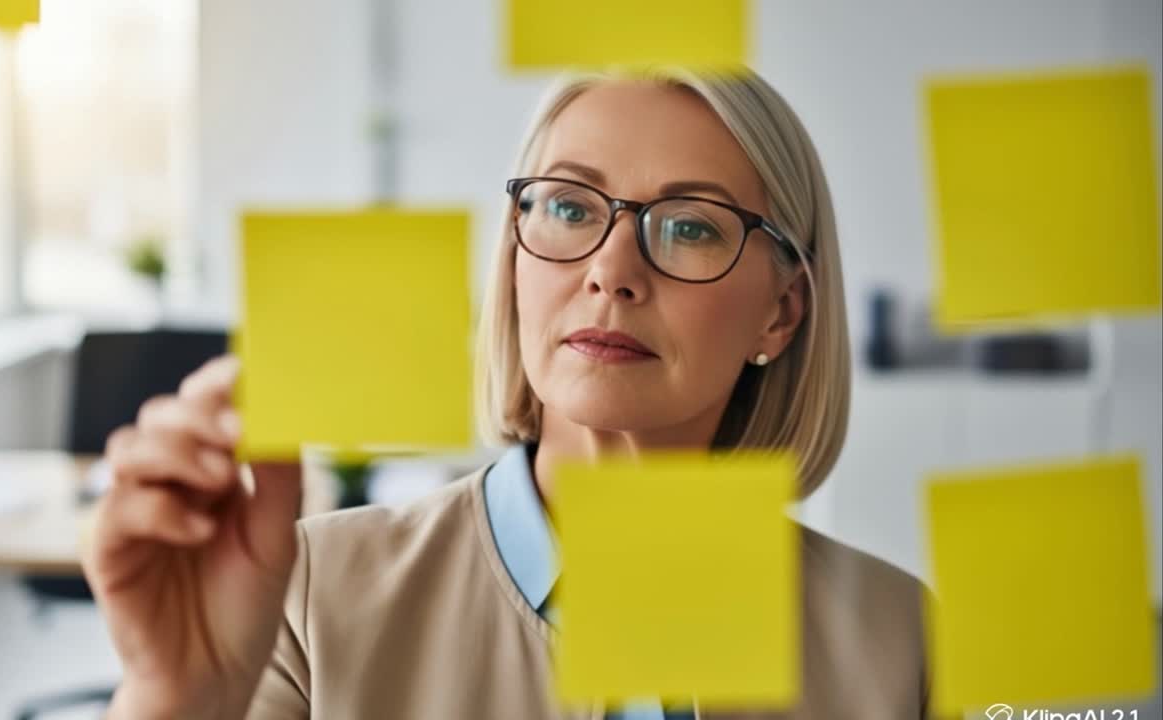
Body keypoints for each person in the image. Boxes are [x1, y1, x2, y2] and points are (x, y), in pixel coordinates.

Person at [85, 68, 929, 719]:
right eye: (567, 207)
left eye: (690, 226)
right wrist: (172, 699)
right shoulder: (310, 596)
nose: (611, 271)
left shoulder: (900, 640)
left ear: (779, 315)